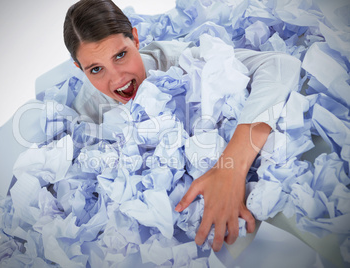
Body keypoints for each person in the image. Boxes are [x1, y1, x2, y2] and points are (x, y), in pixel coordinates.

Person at [63, 0, 301, 252]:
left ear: (135, 39)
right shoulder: (89, 110)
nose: (117, 79)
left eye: (120, 55)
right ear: (80, 69)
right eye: (96, 69)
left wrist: (230, 170)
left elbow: (281, 65)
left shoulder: (180, 61)